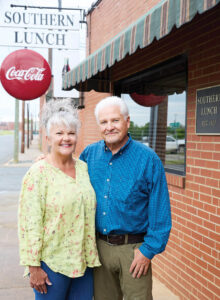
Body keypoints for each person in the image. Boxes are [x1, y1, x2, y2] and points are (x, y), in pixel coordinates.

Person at [80, 96, 172, 300]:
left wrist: (147, 251)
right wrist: (49, 163)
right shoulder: (88, 155)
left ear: (127, 121)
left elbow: (161, 213)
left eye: (115, 120)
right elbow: (67, 178)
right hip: (99, 250)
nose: (109, 127)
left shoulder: (148, 160)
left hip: (133, 251)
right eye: (104, 122)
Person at [18, 99, 100, 300]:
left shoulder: (83, 168)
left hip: (83, 263)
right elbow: (30, 223)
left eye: (71, 133)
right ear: (47, 138)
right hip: (52, 264)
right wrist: (33, 266)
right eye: (59, 133)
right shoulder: (38, 173)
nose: (66, 138)